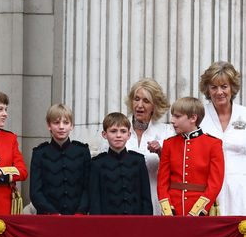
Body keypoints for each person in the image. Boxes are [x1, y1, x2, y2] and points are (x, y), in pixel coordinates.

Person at [158, 97, 224, 217]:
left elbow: (215, 183)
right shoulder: (169, 144)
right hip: (173, 210)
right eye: (172, 116)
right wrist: (167, 209)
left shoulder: (213, 144)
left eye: (177, 116)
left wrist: (198, 211)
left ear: (193, 118)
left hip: (200, 210)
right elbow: (162, 182)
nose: (172, 120)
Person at [198, 61, 246, 215]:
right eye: (214, 87)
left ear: (232, 88)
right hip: (207, 190)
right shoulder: (198, 116)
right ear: (207, 90)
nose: (219, 92)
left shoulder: (244, 114)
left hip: (240, 188)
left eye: (224, 86)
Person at [120, 78, 174, 214]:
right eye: (136, 99)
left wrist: (162, 153)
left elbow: (178, 168)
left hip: (155, 199)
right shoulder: (118, 130)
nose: (139, 105)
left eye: (146, 101)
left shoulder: (166, 132)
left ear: (155, 106)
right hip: (123, 200)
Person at [29, 103, 90, 214]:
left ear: (72, 125)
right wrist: (52, 213)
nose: (61, 127)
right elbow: (35, 192)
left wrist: (80, 212)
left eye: (66, 123)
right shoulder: (40, 153)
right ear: (49, 125)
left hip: (78, 217)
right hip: (48, 218)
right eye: (56, 123)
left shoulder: (82, 151)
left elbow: (88, 187)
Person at [89, 112, 152, 215]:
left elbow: (146, 198)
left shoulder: (138, 161)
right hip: (108, 224)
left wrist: (146, 224)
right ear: (104, 134)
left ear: (129, 135)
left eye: (123, 131)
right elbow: (95, 201)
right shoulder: (97, 164)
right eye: (113, 131)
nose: (118, 135)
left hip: (136, 223)